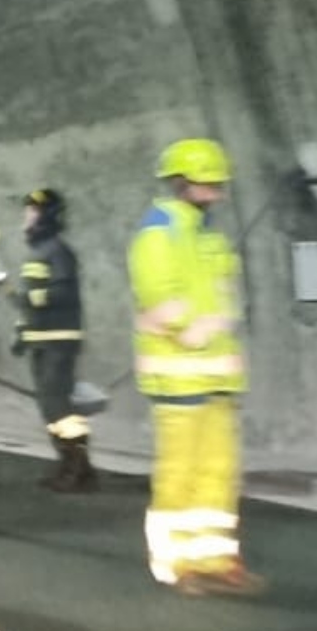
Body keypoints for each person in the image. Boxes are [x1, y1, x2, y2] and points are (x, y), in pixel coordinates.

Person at [128, 138, 265, 596]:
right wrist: (193, 328)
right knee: (179, 473)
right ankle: (176, 564)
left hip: (217, 376)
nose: (217, 192)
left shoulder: (209, 234)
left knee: (219, 469)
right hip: (178, 374)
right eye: (208, 184)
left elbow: (225, 297)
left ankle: (216, 557)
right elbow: (159, 295)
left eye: (218, 184)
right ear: (182, 182)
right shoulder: (158, 231)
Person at [7, 188, 96, 492]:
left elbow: (62, 293)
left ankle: (77, 468)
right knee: (50, 408)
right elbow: (30, 303)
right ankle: (70, 463)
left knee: (59, 406)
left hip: (58, 341)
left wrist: (29, 298)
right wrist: (22, 332)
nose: (26, 216)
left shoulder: (58, 252)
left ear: (46, 216)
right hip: (42, 342)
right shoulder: (40, 252)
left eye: (32, 211)